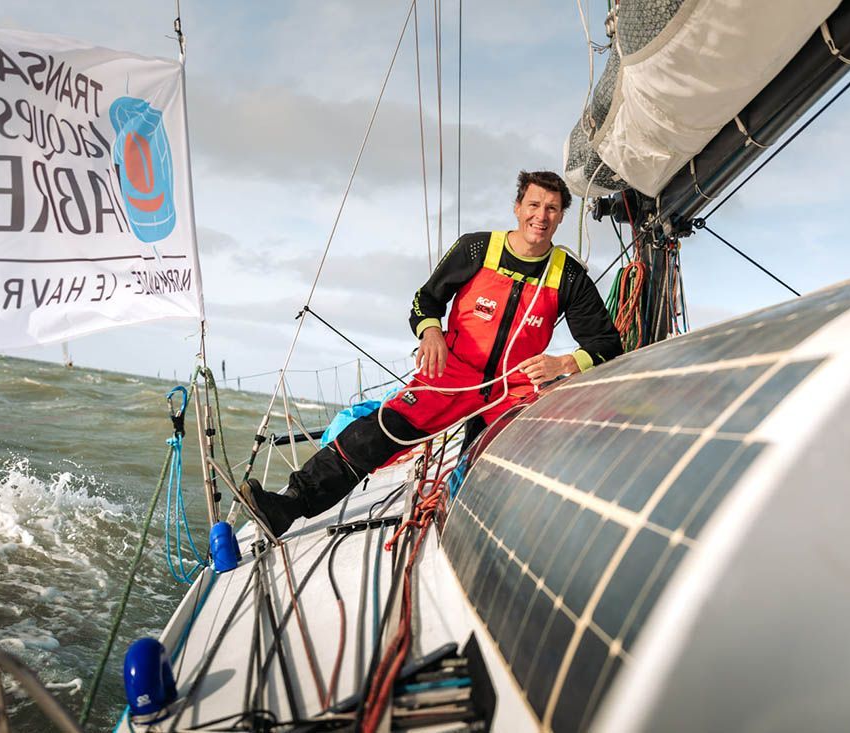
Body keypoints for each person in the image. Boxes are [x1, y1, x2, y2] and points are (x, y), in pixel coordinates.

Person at [244, 170, 623, 537]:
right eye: (534, 205)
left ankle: (473, 525)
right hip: (452, 376)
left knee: (502, 462)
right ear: (517, 207)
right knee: (374, 433)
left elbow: (606, 345)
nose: (541, 216)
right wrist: (430, 333)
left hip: (513, 389)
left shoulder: (568, 275)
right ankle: (287, 506)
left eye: (552, 208)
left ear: (561, 217)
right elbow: (426, 300)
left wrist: (564, 363)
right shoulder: (477, 248)